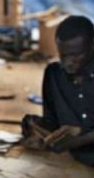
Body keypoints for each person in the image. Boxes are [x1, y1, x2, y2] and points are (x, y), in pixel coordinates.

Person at [21, 15, 94, 166]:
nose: (67, 63)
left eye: (75, 55)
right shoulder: (53, 74)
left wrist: (79, 141)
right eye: (62, 55)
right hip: (70, 163)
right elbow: (52, 122)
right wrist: (35, 125)